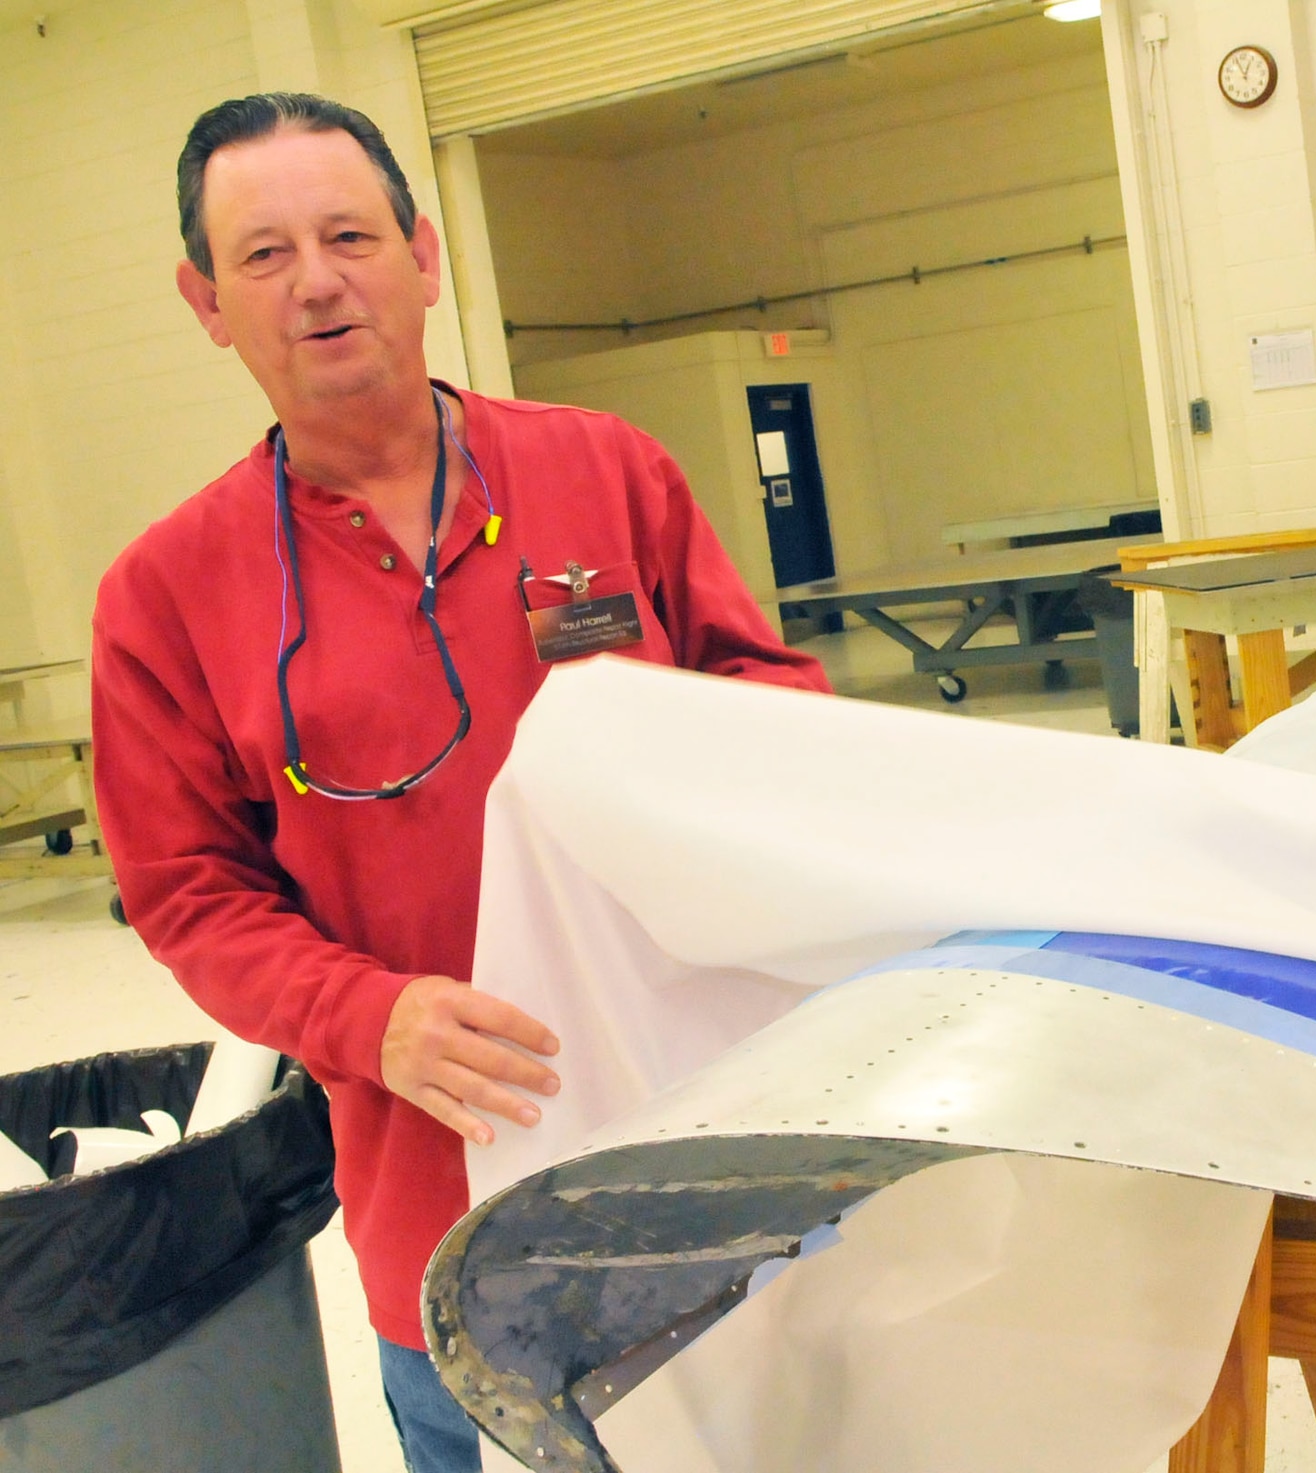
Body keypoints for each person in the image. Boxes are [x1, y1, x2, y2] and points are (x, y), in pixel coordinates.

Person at [91, 92, 830, 1473]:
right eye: (262, 256)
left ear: (423, 256)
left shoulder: (603, 471)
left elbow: (775, 697)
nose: (317, 281)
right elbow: (189, 894)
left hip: (704, 1146)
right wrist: (370, 1019)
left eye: (349, 234)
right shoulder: (164, 594)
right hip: (444, 1207)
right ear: (205, 302)